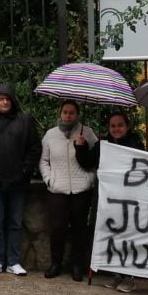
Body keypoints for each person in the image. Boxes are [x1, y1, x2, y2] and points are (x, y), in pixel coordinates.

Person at [76, 112, 145, 292]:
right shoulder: (102, 146)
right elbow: (87, 162)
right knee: (110, 235)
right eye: (113, 126)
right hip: (106, 199)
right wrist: (80, 147)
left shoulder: (135, 145)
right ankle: (116, 274)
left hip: (128, 199)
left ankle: (129, 276)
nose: (116, 129)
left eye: (120, 125)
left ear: (127, 126)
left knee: (127, 236)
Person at [0, 84, 42, 277]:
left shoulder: (25, 121)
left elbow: (35, 148)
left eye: (8, 98)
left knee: (15, 223)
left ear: (13, 101)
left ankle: (13, 261)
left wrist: (25, 171)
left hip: (18, 182)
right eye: (1, 98)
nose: (5, 102)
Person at [39, 100, 98, 282]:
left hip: (81, 190)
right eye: (65, 112)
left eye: (72, 112)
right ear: (60, 114)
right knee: (57, 228)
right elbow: (44, 161)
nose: (68, 115)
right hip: (58, 190)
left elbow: (96, 158)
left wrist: (90, 178)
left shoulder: (87, 133)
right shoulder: (50, 135)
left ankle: (77, 265)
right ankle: (55, 263)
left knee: (80, 229)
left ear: (77, 115)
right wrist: (49, 180)